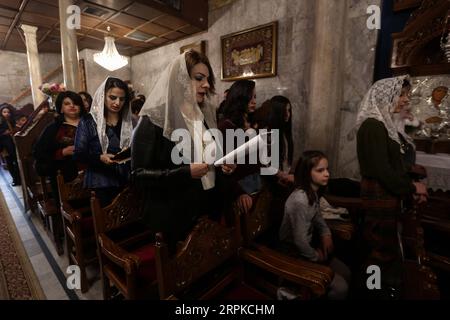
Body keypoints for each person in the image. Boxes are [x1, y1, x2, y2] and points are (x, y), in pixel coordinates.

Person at [131, 50, 235, 250]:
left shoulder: (203, 114)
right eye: (198, 78)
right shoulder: (153, 120)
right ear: (179, 81)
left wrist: (224, 164)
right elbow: (138, 175)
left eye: (207, 79)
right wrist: (186, 172)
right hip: (175, 213)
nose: (206, 85)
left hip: (208, 205)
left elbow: (210, 156)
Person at [356, 75, 428, 298]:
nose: (406, 100)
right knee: (378, 250)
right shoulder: (372, 125)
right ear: (386, 96)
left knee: (386, 248)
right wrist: (412, 188)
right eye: (402, 94)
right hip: (378, 192)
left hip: (386, 192)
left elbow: (393, 165)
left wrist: (409, 185)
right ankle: (372, 291)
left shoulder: (384, 124)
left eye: (407, 94)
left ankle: (380, 288)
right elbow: (382, 170)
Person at [279, 150, 351, 300]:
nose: (327, 174)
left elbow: (317, 216)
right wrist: (316, 256)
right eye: (320, 170)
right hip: (293, 253)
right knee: (341, 288)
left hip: (307, 247)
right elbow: (299, 241)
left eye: (327, 169)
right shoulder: (300, 200)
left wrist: (326, 233)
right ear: (307, 174)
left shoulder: (312, 192)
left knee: (346, 272)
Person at [74, 77, 132, 207]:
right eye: (112, 97)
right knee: (107, 222)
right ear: (103, 96)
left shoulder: (129, 121)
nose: (117, 102)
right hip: (101, 181)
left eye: (122, 99)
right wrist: (100, 157)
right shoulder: (88, 121)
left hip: (127, 178)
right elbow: (78, 153)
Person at [33, 91, 86, 202]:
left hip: (92, 173)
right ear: (61, 109)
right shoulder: (52, 129)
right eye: (67, 103)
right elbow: (39, 152)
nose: (72, 106)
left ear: (80, 107)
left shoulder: (91, 124)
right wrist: (62, 152)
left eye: (75, 103)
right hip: (64, 177)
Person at [0, 104, 21, 186]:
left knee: (16, 161)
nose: (7, 113)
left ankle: (19, 178)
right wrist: (4, 133)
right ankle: (15, 180)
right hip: (4, 146)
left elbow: (14, 129)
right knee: (9, 163)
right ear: (1, 113)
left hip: (13, 144)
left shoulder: (11, 120)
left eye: (8, 112)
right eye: (4, 112)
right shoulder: (0, 122)